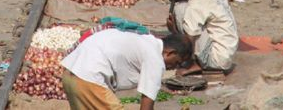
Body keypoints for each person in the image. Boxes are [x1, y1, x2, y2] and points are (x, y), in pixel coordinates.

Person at [60, 28, 194, 109]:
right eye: (177, 62)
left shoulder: (145, 39)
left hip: (70, 74)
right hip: (89, 78)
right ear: (170, 53)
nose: (174, 67)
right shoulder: (155, 59)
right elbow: (147, 103)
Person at [168, 0, 239, 73]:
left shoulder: (198, 2)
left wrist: (174, 30)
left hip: (215, 60)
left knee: (180, 10)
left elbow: (189, 38)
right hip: (227, 54)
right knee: (187, 11)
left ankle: (193, 63)